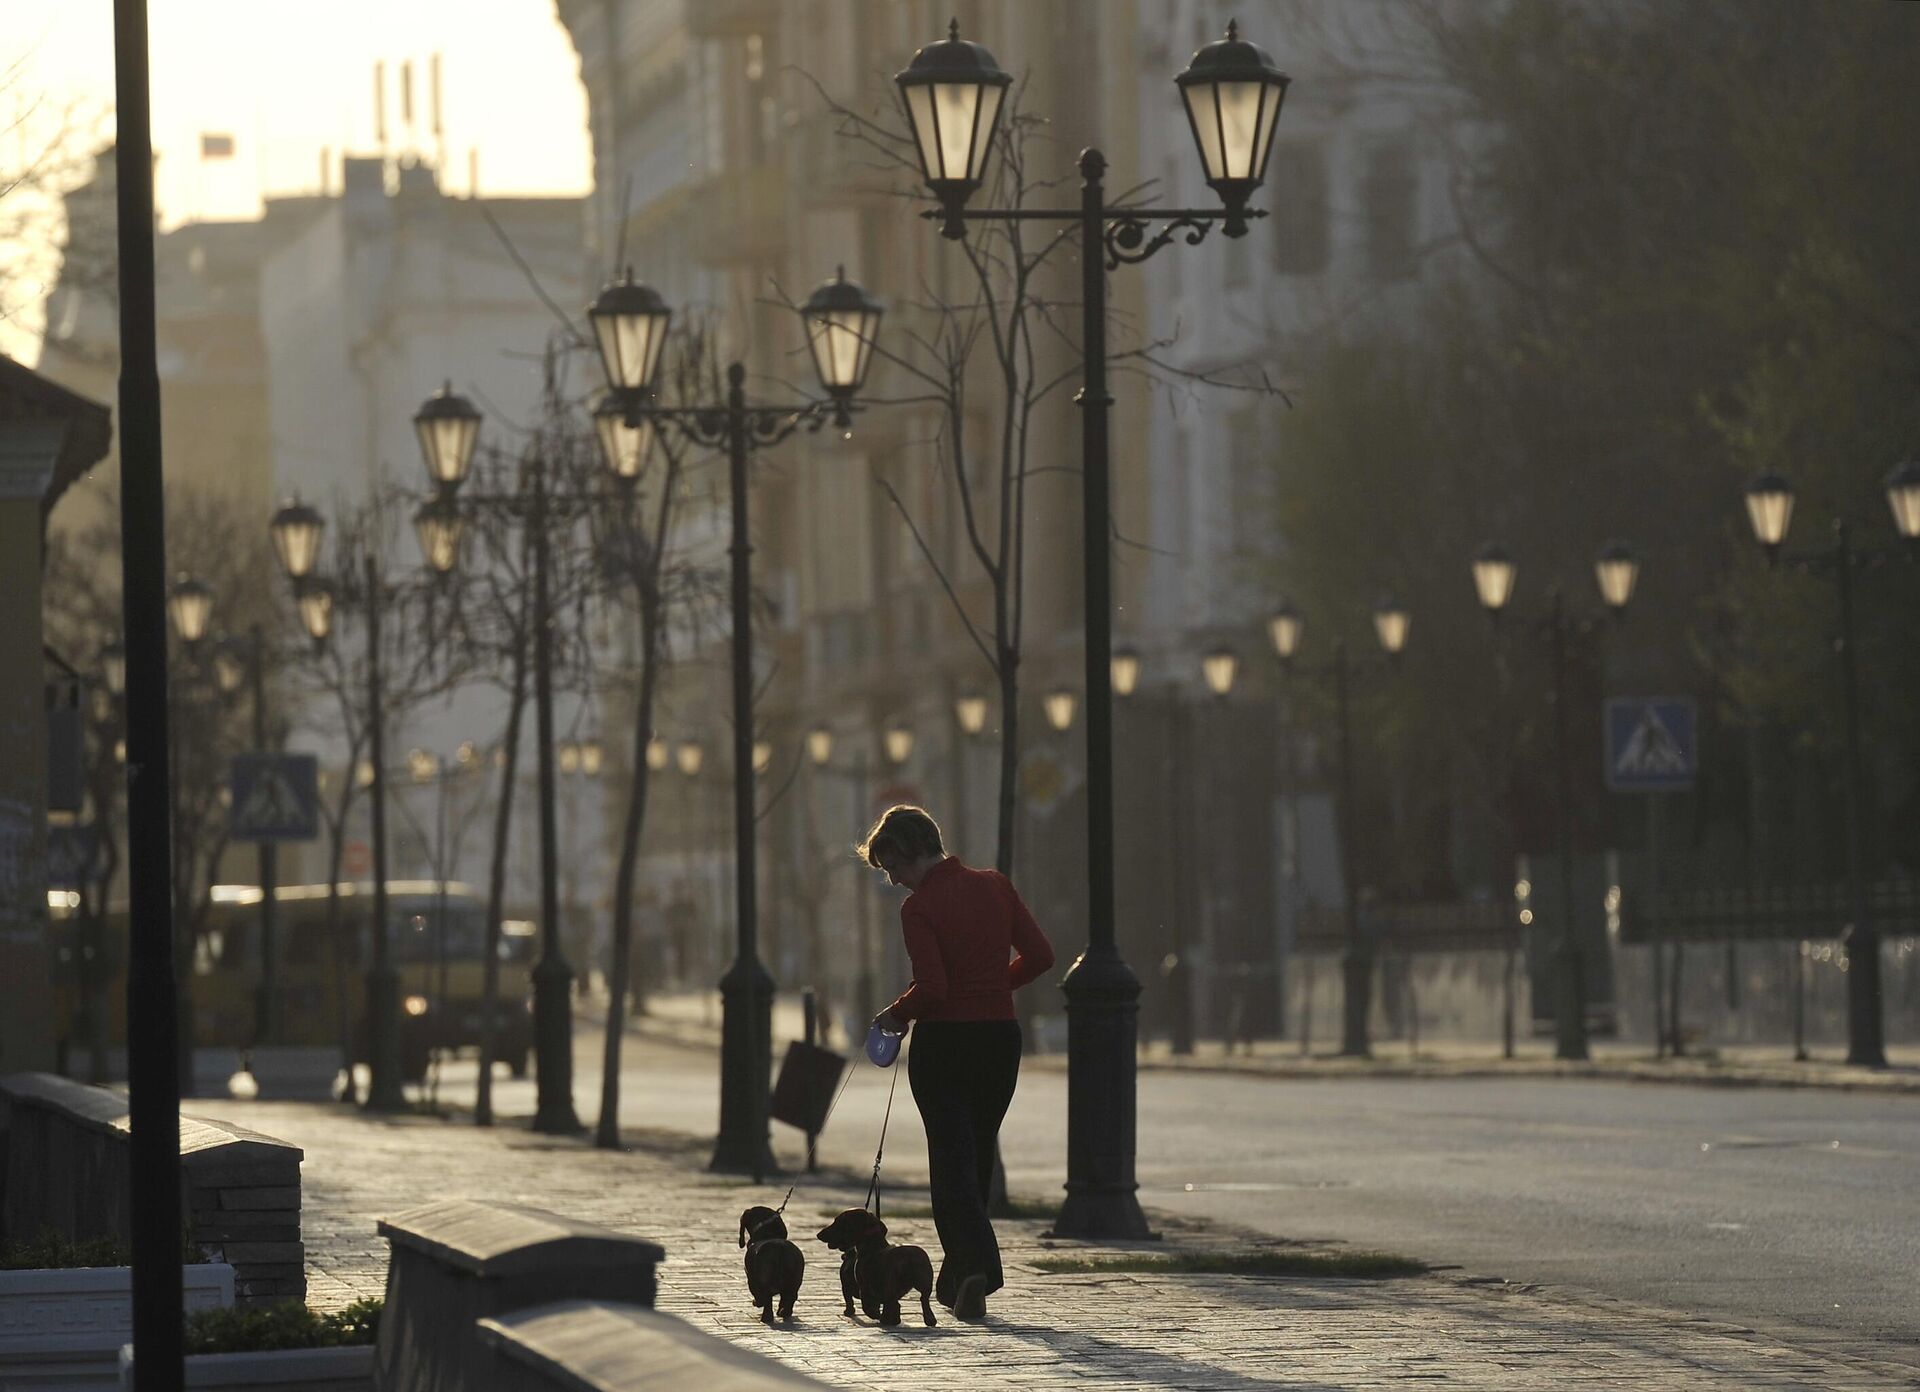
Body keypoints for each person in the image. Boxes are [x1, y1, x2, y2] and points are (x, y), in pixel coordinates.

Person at [862, 804, 1054, 1323]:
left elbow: (933, 989)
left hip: (945, 1045)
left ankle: (978, 1271)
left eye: (893, 867)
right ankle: (962, 1279)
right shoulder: (995, 885)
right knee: (977, 1157)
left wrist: (894, 1014)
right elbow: (1040, 956)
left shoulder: (920, 907)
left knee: (950, 1165)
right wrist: (991, 989)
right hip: (999, 1040)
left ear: (910, 851)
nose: (895, 880)